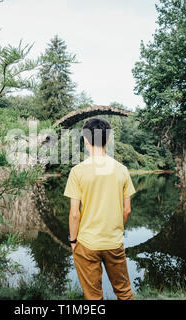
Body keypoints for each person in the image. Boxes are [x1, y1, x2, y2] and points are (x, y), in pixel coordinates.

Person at [63, 117, 136, 300]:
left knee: (93, 297)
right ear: (108, 140)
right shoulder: (122, 170)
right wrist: (116, 230)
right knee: (124, 292)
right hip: (114, 242)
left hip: (87, 243)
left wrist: (73, 242)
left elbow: (74, 214)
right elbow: (127, 210)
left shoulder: (77, 171)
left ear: (86, 140)